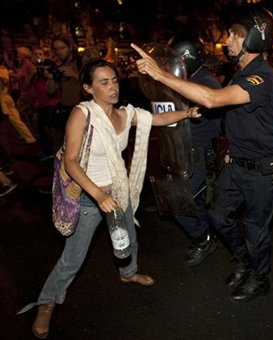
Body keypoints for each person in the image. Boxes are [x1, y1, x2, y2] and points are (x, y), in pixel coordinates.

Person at [21, 59, 201, 339]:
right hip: (90, 197)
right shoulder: (83, 115)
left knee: (128, 237)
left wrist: (188, 112)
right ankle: (46, 302)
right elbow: (71, 162)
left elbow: (155, 119)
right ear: (88, 88)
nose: (112, 86)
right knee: (73, 259)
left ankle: (128, 272)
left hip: (119, 191)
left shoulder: (124, 114)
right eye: (104, 82)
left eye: (114, 80)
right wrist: (98, 195)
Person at [132, 3, 273, 303]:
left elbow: (215, 99)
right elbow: (233, 114)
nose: (227, 39)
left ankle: (259, 276)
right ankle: (242, 261)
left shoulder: (261, 76)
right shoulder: (240, 73)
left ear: (254, 37)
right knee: (217, 215)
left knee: (256, 230)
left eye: (234, 34)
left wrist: (160, 75)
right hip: (238, 164)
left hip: (263, 171)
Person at [167, 34, 222, 267]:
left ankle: (203, 239)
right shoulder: (188, 78)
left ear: (186, 57)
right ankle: (206, 234)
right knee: (194, 201)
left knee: (179, 202)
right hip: (186, 149)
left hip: (197, 152)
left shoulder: (206, 83)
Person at [0, 55, 37, 144]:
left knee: (11, 122)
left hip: (3, 100)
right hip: (6, 98)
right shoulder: (3, 69)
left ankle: (30, 138)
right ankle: (30, 138)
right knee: (16, 120)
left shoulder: (2, 70)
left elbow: (5, 80)